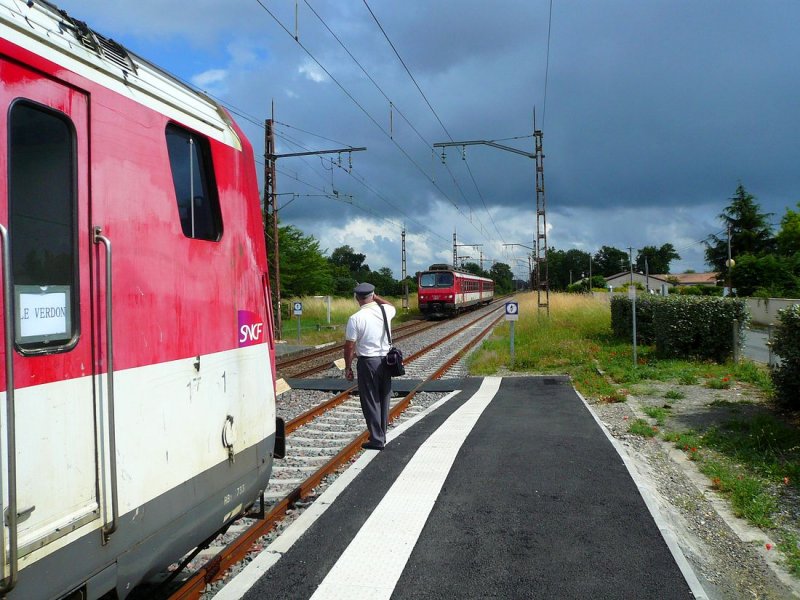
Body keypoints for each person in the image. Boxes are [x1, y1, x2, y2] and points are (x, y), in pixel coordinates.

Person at [344, 282, 396, 451]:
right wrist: (376, 297)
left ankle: (377, 438)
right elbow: (390, 305)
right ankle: (382, 434)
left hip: (368, 363)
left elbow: (350, 346)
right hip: (387, 361)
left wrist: (348, 367)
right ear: (373, 295)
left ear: (356, 298)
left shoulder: (355, 318)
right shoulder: (386, 311)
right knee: (384, 398)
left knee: (371, 401)